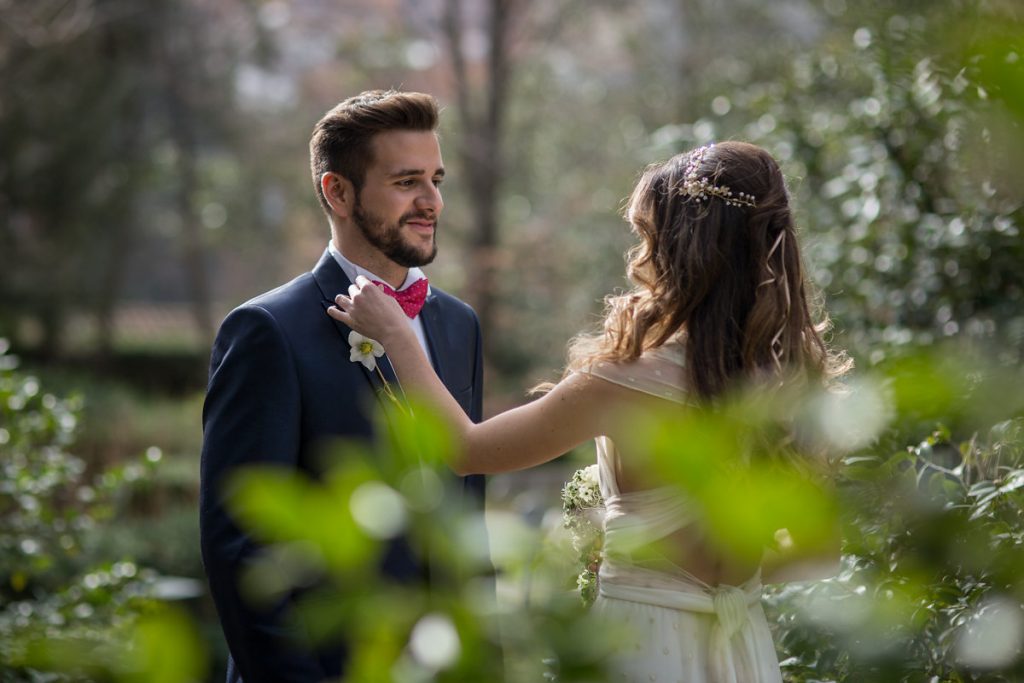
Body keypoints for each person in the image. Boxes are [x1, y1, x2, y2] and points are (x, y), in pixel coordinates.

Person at [331, 141, 851, 682]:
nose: (640, 255)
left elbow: (466, 450)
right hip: (742, 648)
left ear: (678, 250)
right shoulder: (788, 387)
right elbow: (818, 553)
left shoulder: (627, 381)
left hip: (642, 644)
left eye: (647, 237)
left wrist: (397, 336)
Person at [200, 89, 486, 683]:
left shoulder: (459, 325)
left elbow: (467, 516)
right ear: (338, 192)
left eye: (436, 178)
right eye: (407, 181)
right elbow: (242, 550)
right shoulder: (266, 331)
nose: (432, 201)